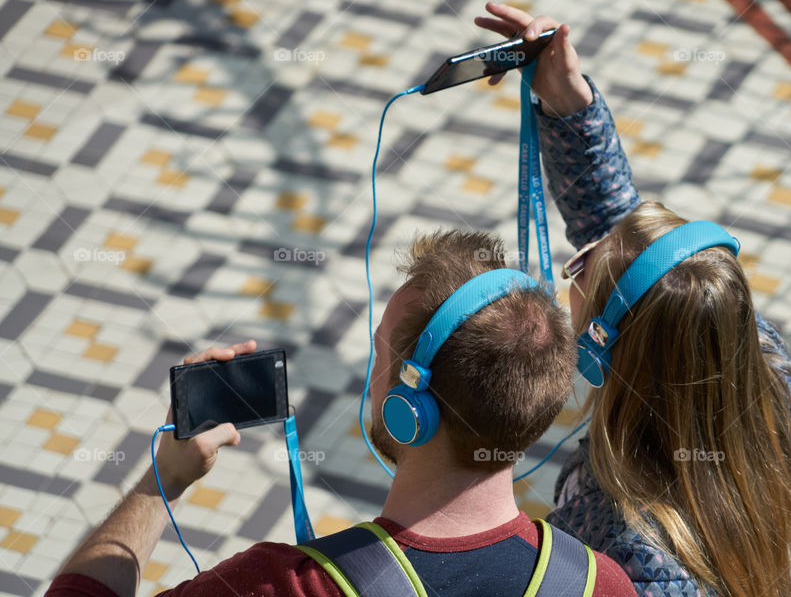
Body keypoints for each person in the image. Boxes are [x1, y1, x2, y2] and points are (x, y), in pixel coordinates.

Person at [47, 229, 634, 596]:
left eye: (380, 350)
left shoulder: (281, 585)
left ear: (408, 410)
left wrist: (161, 482)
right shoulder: (600, 583)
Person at [476, 3, 791, 597]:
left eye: (580, 269)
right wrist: (568, 104)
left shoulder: (624, 550)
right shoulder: (763, 381)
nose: (569, 270)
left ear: (602, 351)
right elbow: (637, 258)